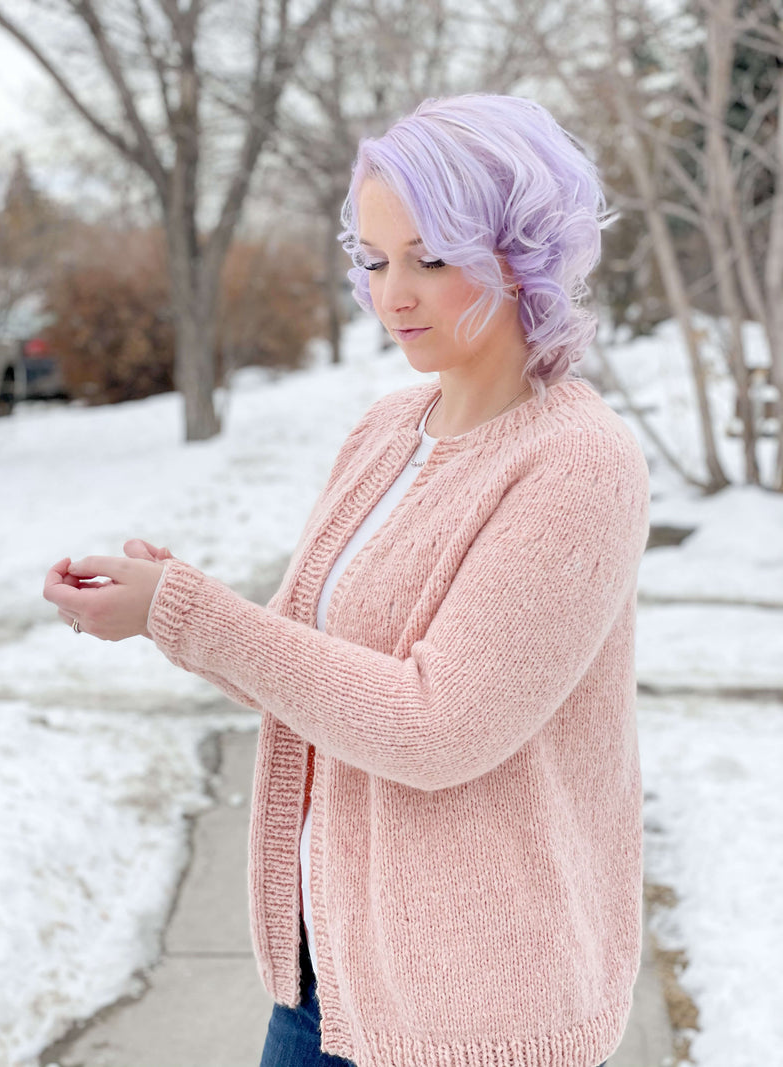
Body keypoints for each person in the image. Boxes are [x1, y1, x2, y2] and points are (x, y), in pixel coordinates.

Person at [44, 94, 650, 1067]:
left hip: (479, 1014)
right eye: (372, 260)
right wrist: (163, 606)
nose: (391, 293)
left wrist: (188, 614)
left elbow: (436, 725)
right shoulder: (385, 430)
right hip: (329, 977)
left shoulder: (578, 463)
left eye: (430, 257)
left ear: (519, 252)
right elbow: (305, 670)